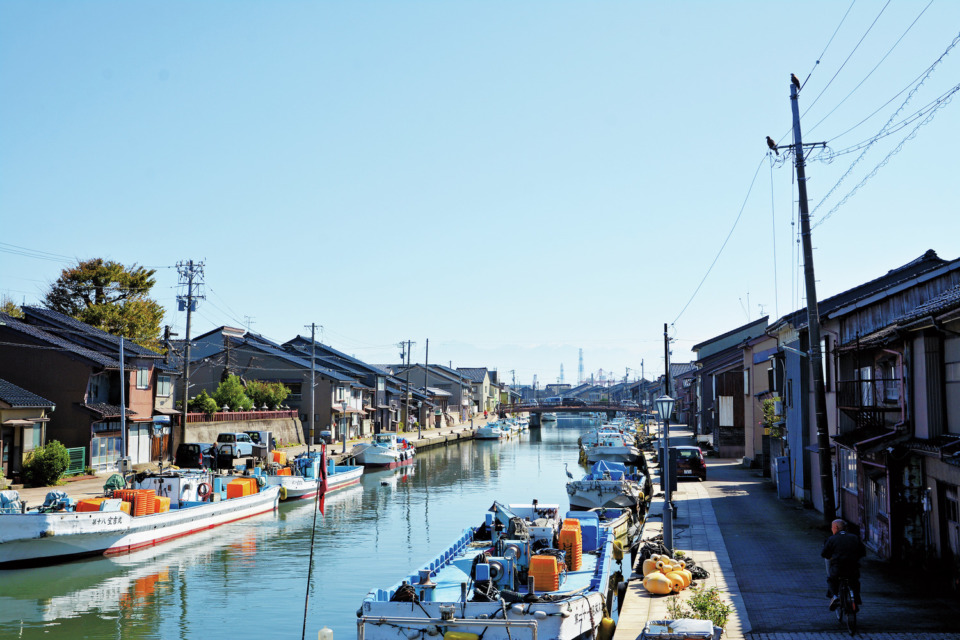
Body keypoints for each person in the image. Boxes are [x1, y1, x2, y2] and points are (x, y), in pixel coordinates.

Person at [821, 518, 866, 610]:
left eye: (832, 528)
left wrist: (832, 557)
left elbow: (824, 554)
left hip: (838, 568)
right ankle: (856, 599)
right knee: (855, 581)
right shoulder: (854, 537)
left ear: (836, 528)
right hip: (852, 568)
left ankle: (834, 596)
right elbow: (863, 552)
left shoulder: (831, 539)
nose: (832, 530)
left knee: (831, 579)